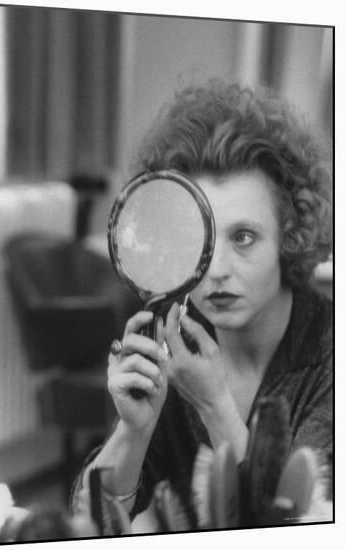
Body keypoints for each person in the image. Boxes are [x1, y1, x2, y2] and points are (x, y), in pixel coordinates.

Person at [69, 79, 333, 528]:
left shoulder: (329, 356)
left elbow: (303, 527)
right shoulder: (176, 342)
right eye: (201, 240)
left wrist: (214, 406)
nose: (216, 269)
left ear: (288, 237)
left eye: (244, 237)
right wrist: (134, 431)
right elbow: (89, 520)